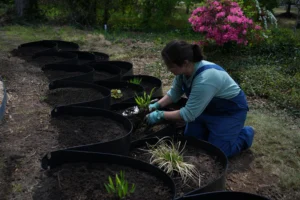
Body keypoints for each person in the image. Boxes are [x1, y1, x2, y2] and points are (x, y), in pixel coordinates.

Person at [146, 40, 255, 158]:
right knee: (191, 141)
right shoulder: (183, 73)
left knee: (217, 153)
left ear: (185, 62)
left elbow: (189, 114)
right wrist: (156, 106)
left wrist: (160, 115)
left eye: (171, 66)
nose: (169, 69)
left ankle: (246, 134)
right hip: (206, 109)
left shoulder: (205, 78)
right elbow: (174, 93)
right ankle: (216, 131)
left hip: (228, 112)